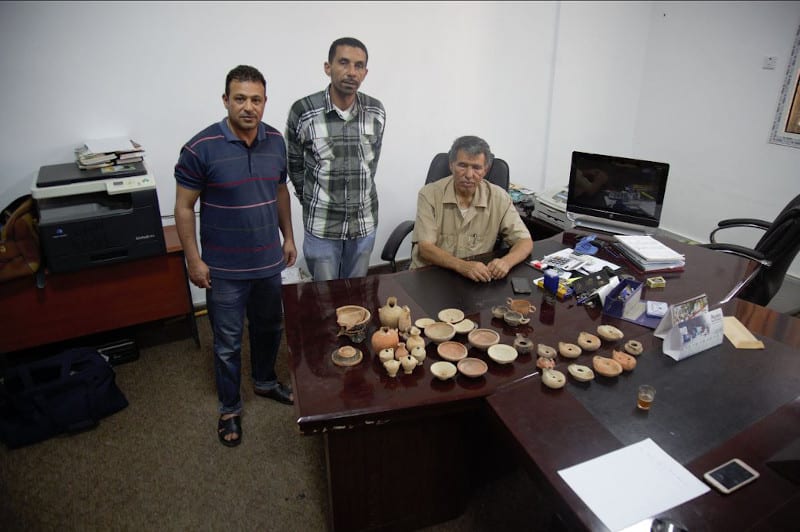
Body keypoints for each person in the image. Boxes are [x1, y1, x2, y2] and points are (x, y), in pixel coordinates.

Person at [174, 65, 297, 448]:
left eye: (256, 99)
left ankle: (263, 381)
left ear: (265, 102)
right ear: (225, 100)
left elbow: (280, 192)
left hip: (267, 264)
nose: (248, 107)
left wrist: (288, 237)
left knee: (269, 327)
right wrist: (193, 260)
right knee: (227, 342)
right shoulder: (200, 148)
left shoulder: (276, 140)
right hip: (224, 269)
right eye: (239, 98)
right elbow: (183, 208)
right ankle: (229, 408)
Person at [286, 36, 386, 281]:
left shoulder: (376, 111)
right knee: (324, 299)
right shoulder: (304, 111)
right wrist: (312, 200)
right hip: (322, 225)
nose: (351, 72)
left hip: (363, 224)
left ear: (365, 72)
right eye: (344, 62)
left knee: (356, 296)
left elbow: (370, 166)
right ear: (328, 67)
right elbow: (295, 167)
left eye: (359, 66)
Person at [410, 136, 533, 282]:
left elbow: (525, 241)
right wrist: (462, 266)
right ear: (451, 165)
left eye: (476, 167)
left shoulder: (499, 198)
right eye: (462, 165)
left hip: (473, 278)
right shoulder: (429, 194)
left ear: (485, 170)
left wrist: (506, 262)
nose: (469, 175)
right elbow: (426, 248)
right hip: (431, 274)